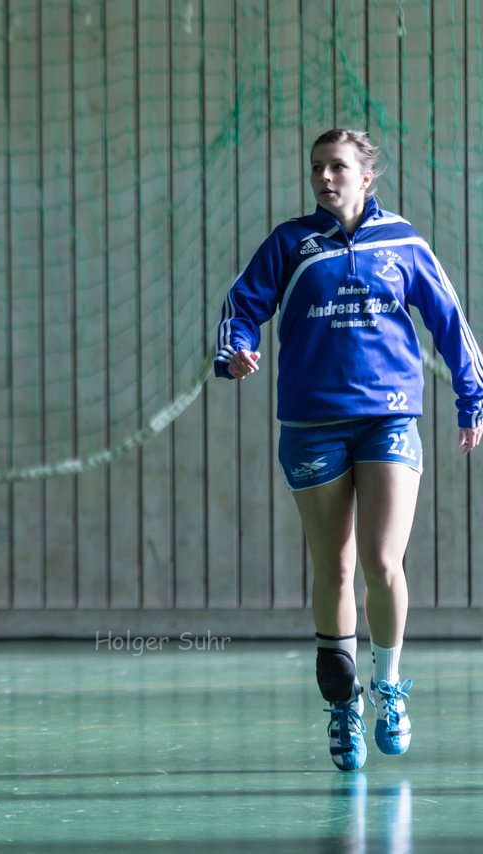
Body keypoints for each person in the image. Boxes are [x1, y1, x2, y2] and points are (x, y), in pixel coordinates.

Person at [215, 128, 483, 771]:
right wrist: (235, 350)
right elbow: (240, 308)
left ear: (368, 176)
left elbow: (452, 322)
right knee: (333, 566)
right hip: (312, 425)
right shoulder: (290, 244)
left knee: (382, 561)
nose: (324, 178)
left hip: (389, 420)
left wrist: (471, 398)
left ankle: (389, 687)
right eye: (316, 168)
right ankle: (343, 707)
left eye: (337, 167)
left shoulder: (405, 243)